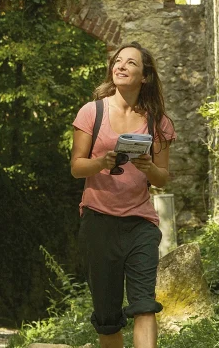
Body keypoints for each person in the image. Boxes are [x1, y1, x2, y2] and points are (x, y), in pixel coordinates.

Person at [70, 42, 175, 348]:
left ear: (145, 76)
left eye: (131, 63)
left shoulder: (158, 122)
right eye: (118, 61)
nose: (121, 66)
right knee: (107, 317)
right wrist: (102, 162)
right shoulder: (92, 112)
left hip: (140, 224)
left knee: (144, 305)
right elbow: (77, 167)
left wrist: (147, 167)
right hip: (98, 223)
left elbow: (163, 180)